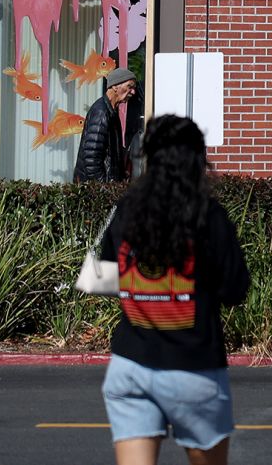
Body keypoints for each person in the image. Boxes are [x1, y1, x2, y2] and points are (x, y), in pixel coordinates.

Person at [99, 115, 251, 464]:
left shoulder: (127, 211)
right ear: (198, 159)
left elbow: (110, 271)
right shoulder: (209, 216)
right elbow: (235, 289)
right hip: (193, 365)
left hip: (130, 365)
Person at [76, 67, 139, 183]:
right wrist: (103, 188)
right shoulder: (101, 113)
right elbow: (91, 158)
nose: (133, 92)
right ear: (115, 86)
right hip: (96, 193)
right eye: (129, 86)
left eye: (134, 88)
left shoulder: (111, 111)